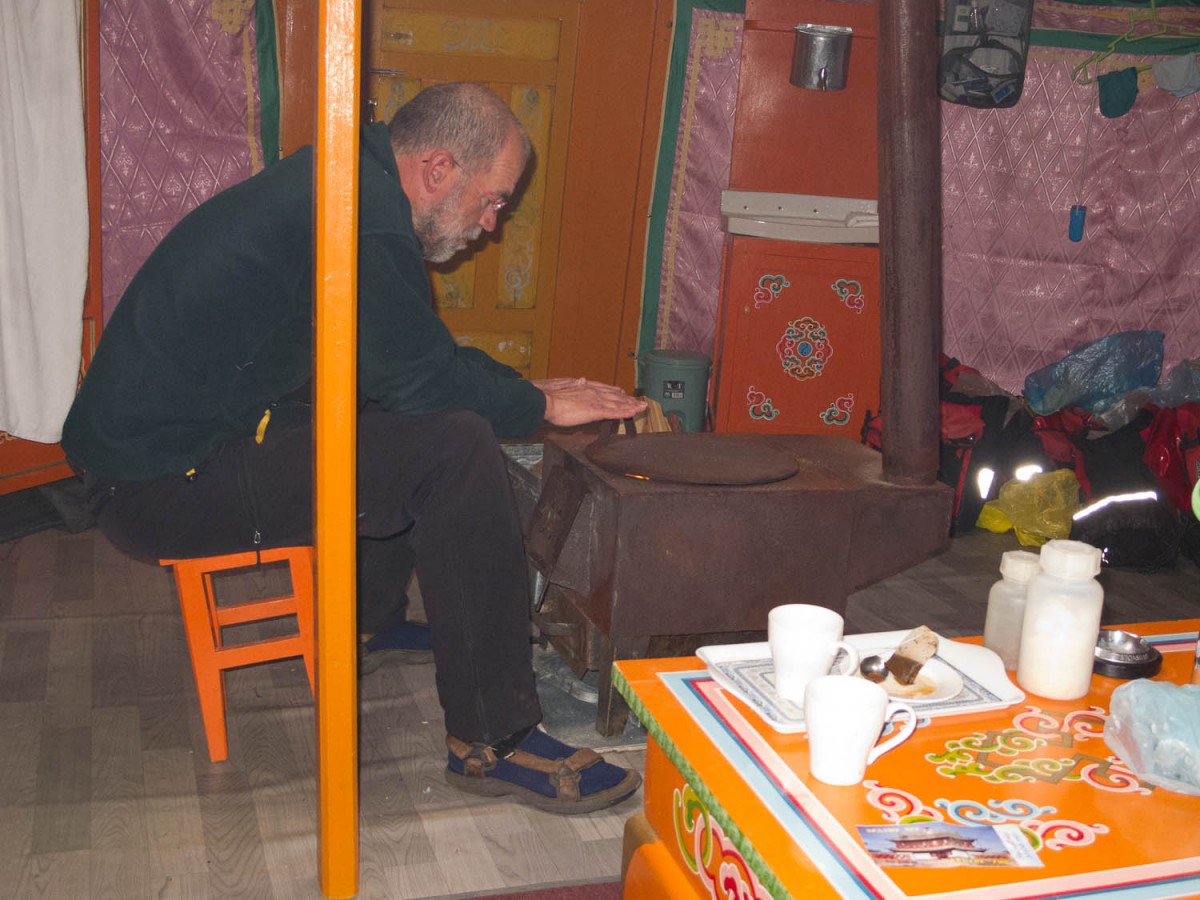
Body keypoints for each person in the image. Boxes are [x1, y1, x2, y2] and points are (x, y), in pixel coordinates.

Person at [62, 82, 646, 814]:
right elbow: (421, 380)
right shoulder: (360, 216)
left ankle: (368, 617)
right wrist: (536, 403)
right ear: (437, 168)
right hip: (159, 484)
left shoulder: (348, 182)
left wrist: (525, 386)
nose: (492, 225)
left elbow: (402, 358)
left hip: (158, 455)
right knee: (454, 447)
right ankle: (493, 740)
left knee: (390, 404)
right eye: (492, 199)